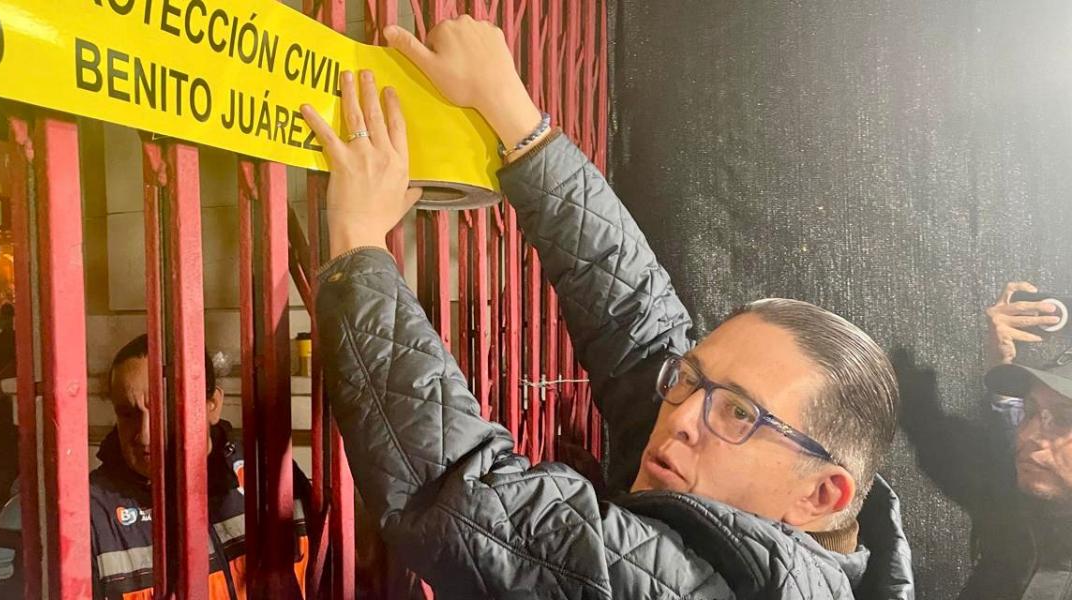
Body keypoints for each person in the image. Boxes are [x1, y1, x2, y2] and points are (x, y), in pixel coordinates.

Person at [302, 17, 912, 599]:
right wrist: (516, 121)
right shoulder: (803, 553)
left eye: (737, 413)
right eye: (691, 382)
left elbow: (463, 498)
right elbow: (641, 329)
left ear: (822, 495)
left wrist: (357, 240)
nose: (679, 418)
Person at [89, 334, 310, 599]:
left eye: (163, 411)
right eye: (127, 414)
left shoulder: (271, 474)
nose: (145, 435)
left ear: (212, 405)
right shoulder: (91, 512)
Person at [901, 281, 1071, 599]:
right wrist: (1002, 367)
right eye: (1029, 411)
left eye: (1065, 419)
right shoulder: (1021, 515)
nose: (1030, 435)